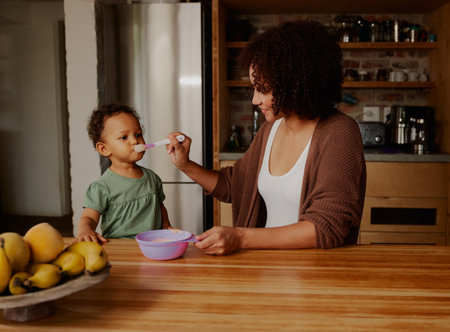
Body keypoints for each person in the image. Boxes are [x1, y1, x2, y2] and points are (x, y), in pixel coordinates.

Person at [167, 20, 366, 255]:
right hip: (266, 269)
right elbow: (235, 186)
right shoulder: (270, 129)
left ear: (295, 85)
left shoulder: (340, 132)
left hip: (314, 277)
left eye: (263, 89)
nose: (254, 100)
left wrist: (239, 237)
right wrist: (185, 164)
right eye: (253, 87)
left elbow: (326, 226)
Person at [77, 103, 171, 243]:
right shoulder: (101, 187)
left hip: (152, 246)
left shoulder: (152, 178)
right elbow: (89, 217)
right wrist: (85, 230)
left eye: (138, 134)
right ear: (104, 149)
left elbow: (160, 207)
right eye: (124, 137)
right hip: (119, 248)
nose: (135, 140)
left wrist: (165, 226)